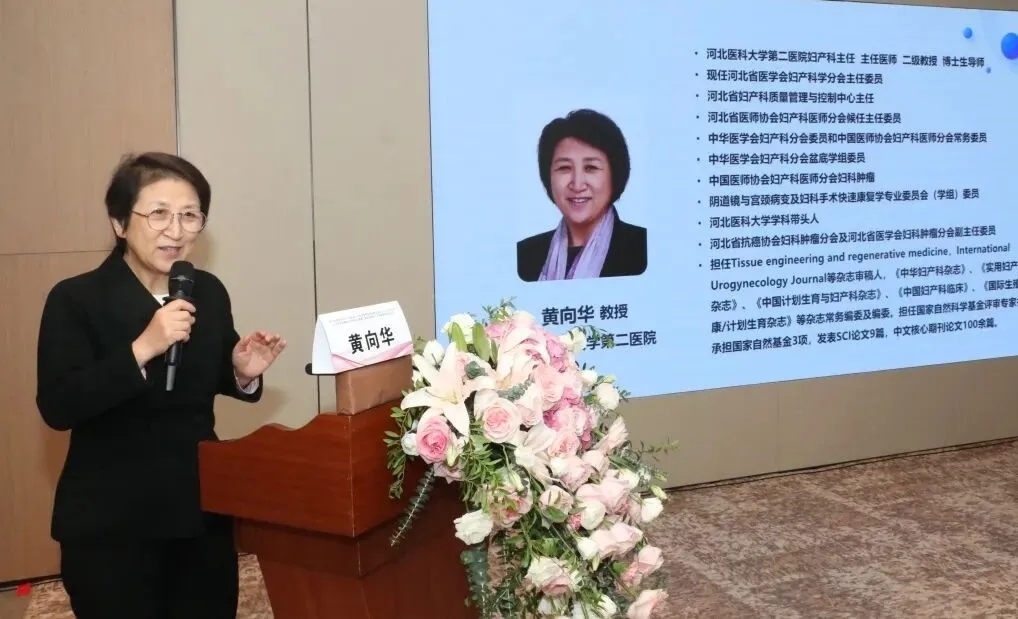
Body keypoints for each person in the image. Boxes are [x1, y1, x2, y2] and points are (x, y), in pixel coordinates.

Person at [35, 152, 287, 619]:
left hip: (198, 510)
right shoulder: (76, 298)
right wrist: (142, 348)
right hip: (111, 520)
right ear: (119, 223)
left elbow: (202, 378)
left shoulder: (206, 290)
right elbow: (58, 404)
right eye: (159, 214)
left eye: (190, 215)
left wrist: (241, 371)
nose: (176, 229)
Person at [516, 108, 648, 282]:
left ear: (615, 174)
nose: (577, 185)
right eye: (564, 168)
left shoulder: (644, 248)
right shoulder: (524, 254)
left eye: (591, 168)